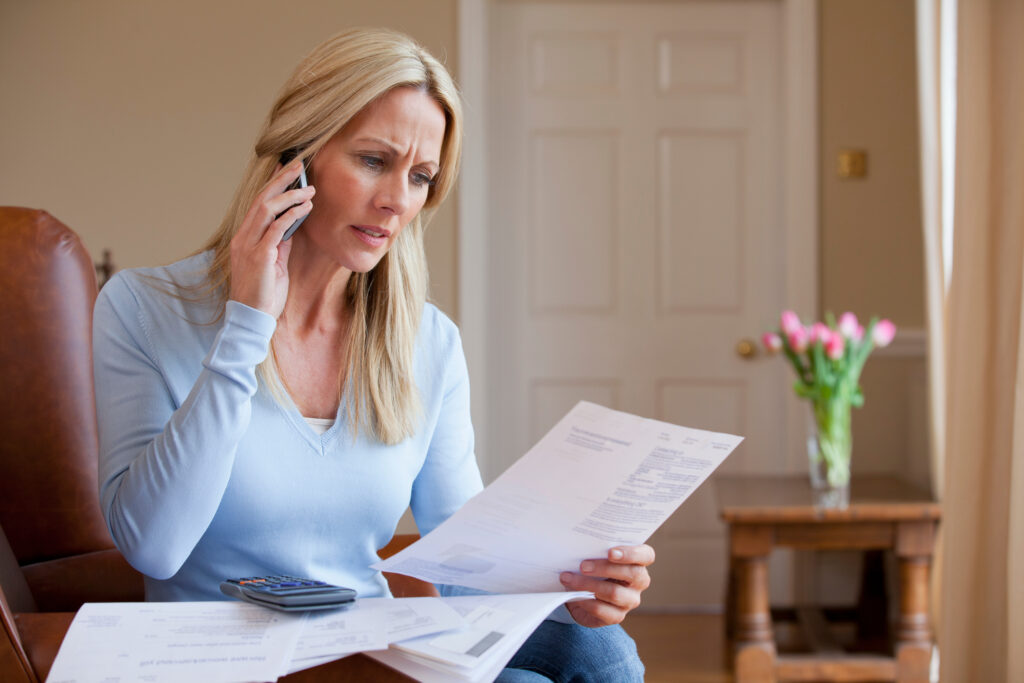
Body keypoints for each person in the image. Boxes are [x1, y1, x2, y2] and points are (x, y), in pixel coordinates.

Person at [93, 27, 651, 681]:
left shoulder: (428, 341)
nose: (396, 200)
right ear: (295, 157)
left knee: (602, 649)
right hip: (225, 656)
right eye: (372, 160)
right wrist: (246, 326)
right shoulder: (142, 308)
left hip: (370, 644)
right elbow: (153, 548)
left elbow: (465, 558)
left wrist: (575, 587)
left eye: (420, 176)